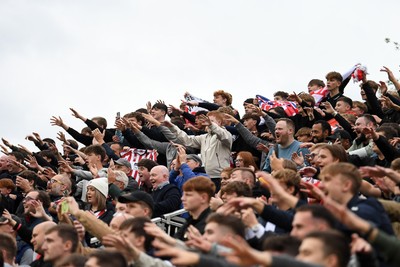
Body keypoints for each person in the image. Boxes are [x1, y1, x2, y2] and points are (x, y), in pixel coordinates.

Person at [166, 111, 232, 191]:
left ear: (219, 122)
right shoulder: (204, 137)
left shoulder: (226, 135)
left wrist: (211, 125)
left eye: (211, 121)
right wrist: (172, 127)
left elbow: (223, 136)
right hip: (206, 176)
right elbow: (187, 140)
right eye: (205, 121)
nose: (206, 123)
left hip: (220, 176)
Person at [175, 176, 215, 240]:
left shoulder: (212, 224)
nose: (182, 198)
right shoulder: (191, 221)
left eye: (188, 195)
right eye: (183, 195)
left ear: (203, 198)